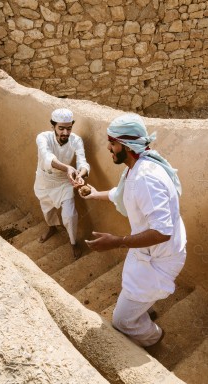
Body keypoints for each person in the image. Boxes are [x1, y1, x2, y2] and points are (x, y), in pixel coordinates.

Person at [80, 113, 186, 347]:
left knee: (121, 321)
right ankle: (143, 311)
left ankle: (154, 337)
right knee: (133, 298)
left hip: (160, 258)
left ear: (126, 146)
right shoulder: (137, 165)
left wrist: (116, 241)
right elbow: (122, 194)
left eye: (113, 142)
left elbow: (162, 231)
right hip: (149, 253)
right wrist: (93, 193)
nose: (109, 147)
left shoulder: (146, 179)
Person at [34, 108, 90, 259]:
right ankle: (52, 227)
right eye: (61, 128)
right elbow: (47, 157)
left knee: (70, 215)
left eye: (69, 128)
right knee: (47, 209)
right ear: (53, 127)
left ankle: (73, 242)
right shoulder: (43, 138)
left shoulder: (76, 140)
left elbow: (82, 162)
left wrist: (80, 174)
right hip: (44, 180)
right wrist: (67, 168)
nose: (65, 132)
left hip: (64, 182)